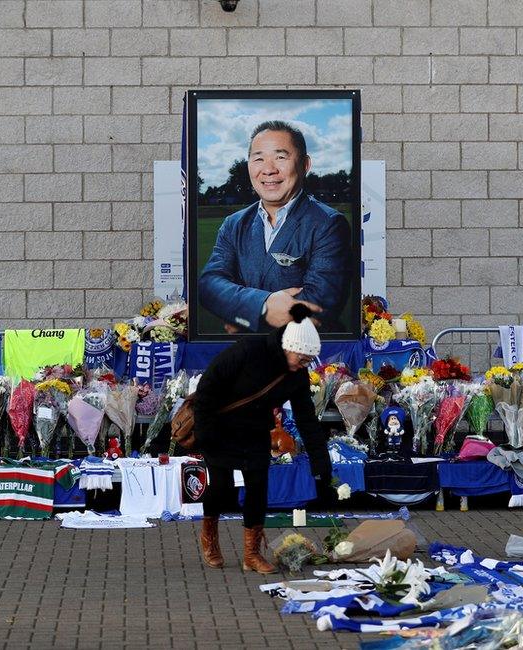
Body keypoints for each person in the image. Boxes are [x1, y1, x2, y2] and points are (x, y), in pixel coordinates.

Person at [192, 304, 332, 574]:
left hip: (255, 430)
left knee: (258, 488)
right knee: (220, 487)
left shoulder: (298, 376)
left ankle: (252, 555)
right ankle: (209, 538)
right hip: (219, 426)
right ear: (288, 347)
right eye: (302, 359)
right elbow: (208, 387)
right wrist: (204, 433)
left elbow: (307, 420)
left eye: (307, 361)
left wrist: (321, 464)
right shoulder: (249, 350)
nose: (304, 366)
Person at [198, 120, 352, 333]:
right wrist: (261, 306)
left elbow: (318, 304)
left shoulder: (329, 224)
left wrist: (240, 314)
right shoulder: (234, 224)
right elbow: (209, 285)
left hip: (308, 355)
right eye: (259, 158)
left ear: (305, 165)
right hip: (248, 357)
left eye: (280, 157)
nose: (269, 170)